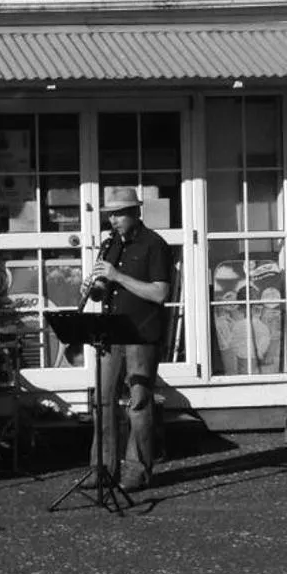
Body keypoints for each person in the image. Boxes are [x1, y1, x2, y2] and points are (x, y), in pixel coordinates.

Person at [86, 185, 174, 491]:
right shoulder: (111, 244)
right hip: (111, 333)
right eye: (111, 214)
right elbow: (104, 288)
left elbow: (160, 292)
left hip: (141, 334)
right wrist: (96, 287)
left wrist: (117, 276)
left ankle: (137, 472)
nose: (114, 220)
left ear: (136, 212)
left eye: (120, 214)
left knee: (138, 402)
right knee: (103, 401)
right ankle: (102, 469)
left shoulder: (154, 245)